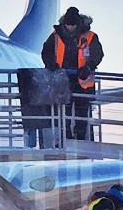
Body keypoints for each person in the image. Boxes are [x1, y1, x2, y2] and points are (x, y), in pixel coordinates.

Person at [41, 7, 104, 143]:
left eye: (73, 25)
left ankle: (81, 139)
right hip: (63, 79)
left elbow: (98, 54)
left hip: (83, 81)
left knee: (82, 113)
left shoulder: (90, 36)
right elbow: (46, 52)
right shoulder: (56, 35)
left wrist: (88, 67)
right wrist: (50, 64)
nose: (70, 28)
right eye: (68, 25)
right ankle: (67, 138)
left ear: (78, 24)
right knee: (65, 111)